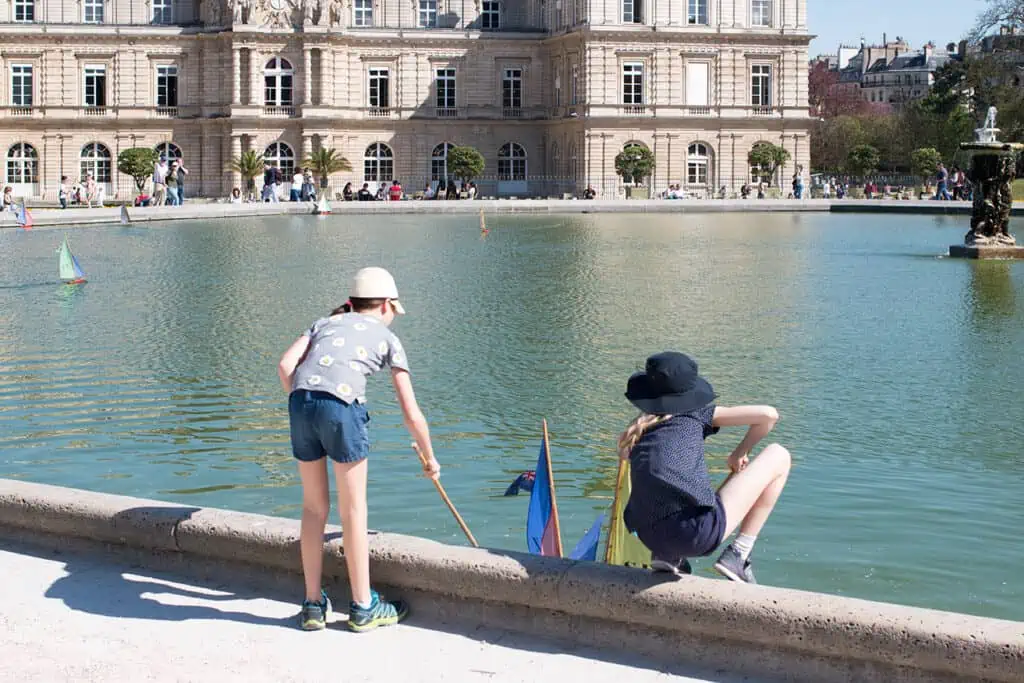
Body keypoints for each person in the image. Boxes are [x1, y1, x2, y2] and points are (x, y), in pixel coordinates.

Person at [276, 267, 440, 632]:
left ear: (351, 303)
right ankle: (363, 607)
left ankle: (313, 605)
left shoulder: (322, 323)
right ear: (385, 305)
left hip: (300, 402)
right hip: (342, 408)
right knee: (354, 510)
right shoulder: (386, 337)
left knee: (313, 507)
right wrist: (430, 459)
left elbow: (286, 365)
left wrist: (310, 404)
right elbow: (411, 414)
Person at [618, 351, 791, 584]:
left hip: (649, 536)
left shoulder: (637, 431)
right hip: (694, 534)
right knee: (779, 455)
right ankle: (739, 554)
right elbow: (769, 415)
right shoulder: (696, 413)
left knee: (672, 487)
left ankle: (669, 557)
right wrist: (740, 452)